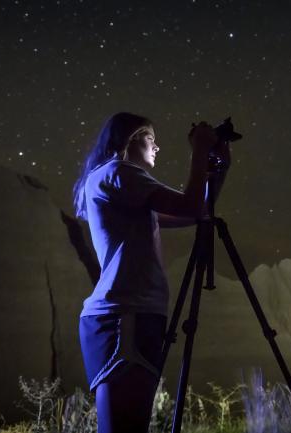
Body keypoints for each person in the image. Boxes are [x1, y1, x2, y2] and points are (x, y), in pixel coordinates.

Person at [72, 112, 218, 433]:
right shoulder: (119, 173)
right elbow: (191, 206)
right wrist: (198, 152)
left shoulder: (123, 184)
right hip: (124, 315)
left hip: (134, 313)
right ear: (129, 139)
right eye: (150, 138)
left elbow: (198, 212)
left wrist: (215, 167)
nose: (157, 146)